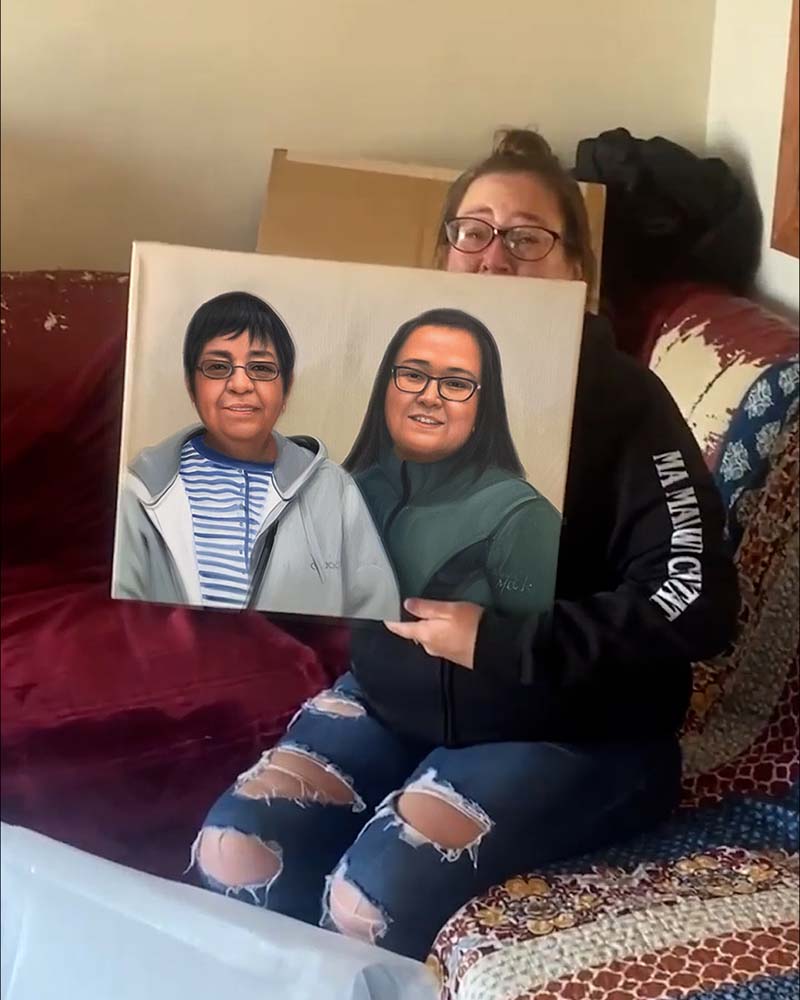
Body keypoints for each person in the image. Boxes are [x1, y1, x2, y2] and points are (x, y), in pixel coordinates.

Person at [192, 132, 739, 961]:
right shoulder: (389, 378)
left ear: (575, 273)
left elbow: (696, 597)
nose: (493, 257)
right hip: (391, 698)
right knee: (236, 855)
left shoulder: (627, 400)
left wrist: (502, 639)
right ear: (444, 255)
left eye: (526, 237)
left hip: (573, 727)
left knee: (367, 903)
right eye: (472, 232)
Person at [113, 290, 399, 620]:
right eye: (218, 367)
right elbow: (123, 621)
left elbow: (378, 613)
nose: (240, 383)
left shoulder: (334, 489)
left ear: (287, 388)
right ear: (191, 386)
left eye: (261, 369)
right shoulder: (142, 490)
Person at [345, 306, 562, 617]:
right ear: (385, 390)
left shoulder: (522, 519)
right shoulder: (345, 494)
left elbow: (548, 656)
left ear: (482, 410)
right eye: (413, 375)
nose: (430, 396)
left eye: (456, 384)